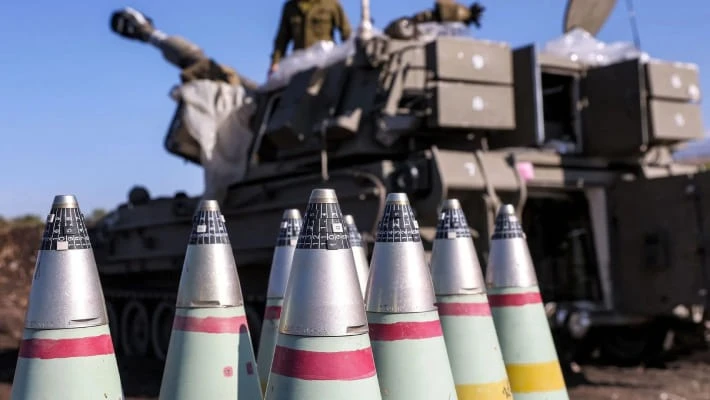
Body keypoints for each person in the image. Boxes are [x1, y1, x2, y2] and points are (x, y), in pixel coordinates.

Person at [269, 0, 353, 76]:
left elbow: (346, 33)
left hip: (325, 63)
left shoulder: (331, 3)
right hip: (298, 65)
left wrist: (351, 56)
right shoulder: (290, 7)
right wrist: (275, 62)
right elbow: (281, 40)